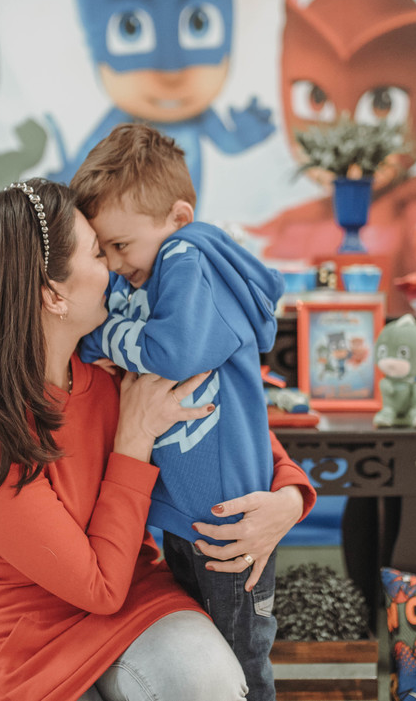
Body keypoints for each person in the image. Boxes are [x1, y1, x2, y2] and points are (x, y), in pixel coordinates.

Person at [0, 179, 316, 701]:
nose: (114, 267)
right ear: (52, 294)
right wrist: (134, 438)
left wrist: (289, 499)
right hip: (26, 647)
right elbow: (98, 588)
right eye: (97, 253)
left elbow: (226, 424)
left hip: (139, 601)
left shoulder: (112, 361)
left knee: (208, 681)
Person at [71, 123, 291, 701]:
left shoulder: (187, 255)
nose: (113, 263)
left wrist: (100, 338)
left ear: (178, 216)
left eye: (120, 245)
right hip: (190, 515)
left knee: (243, 663)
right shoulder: (154, 270)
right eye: (103, 250)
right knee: (218, 652)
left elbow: (176, 352)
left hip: (228, 525)